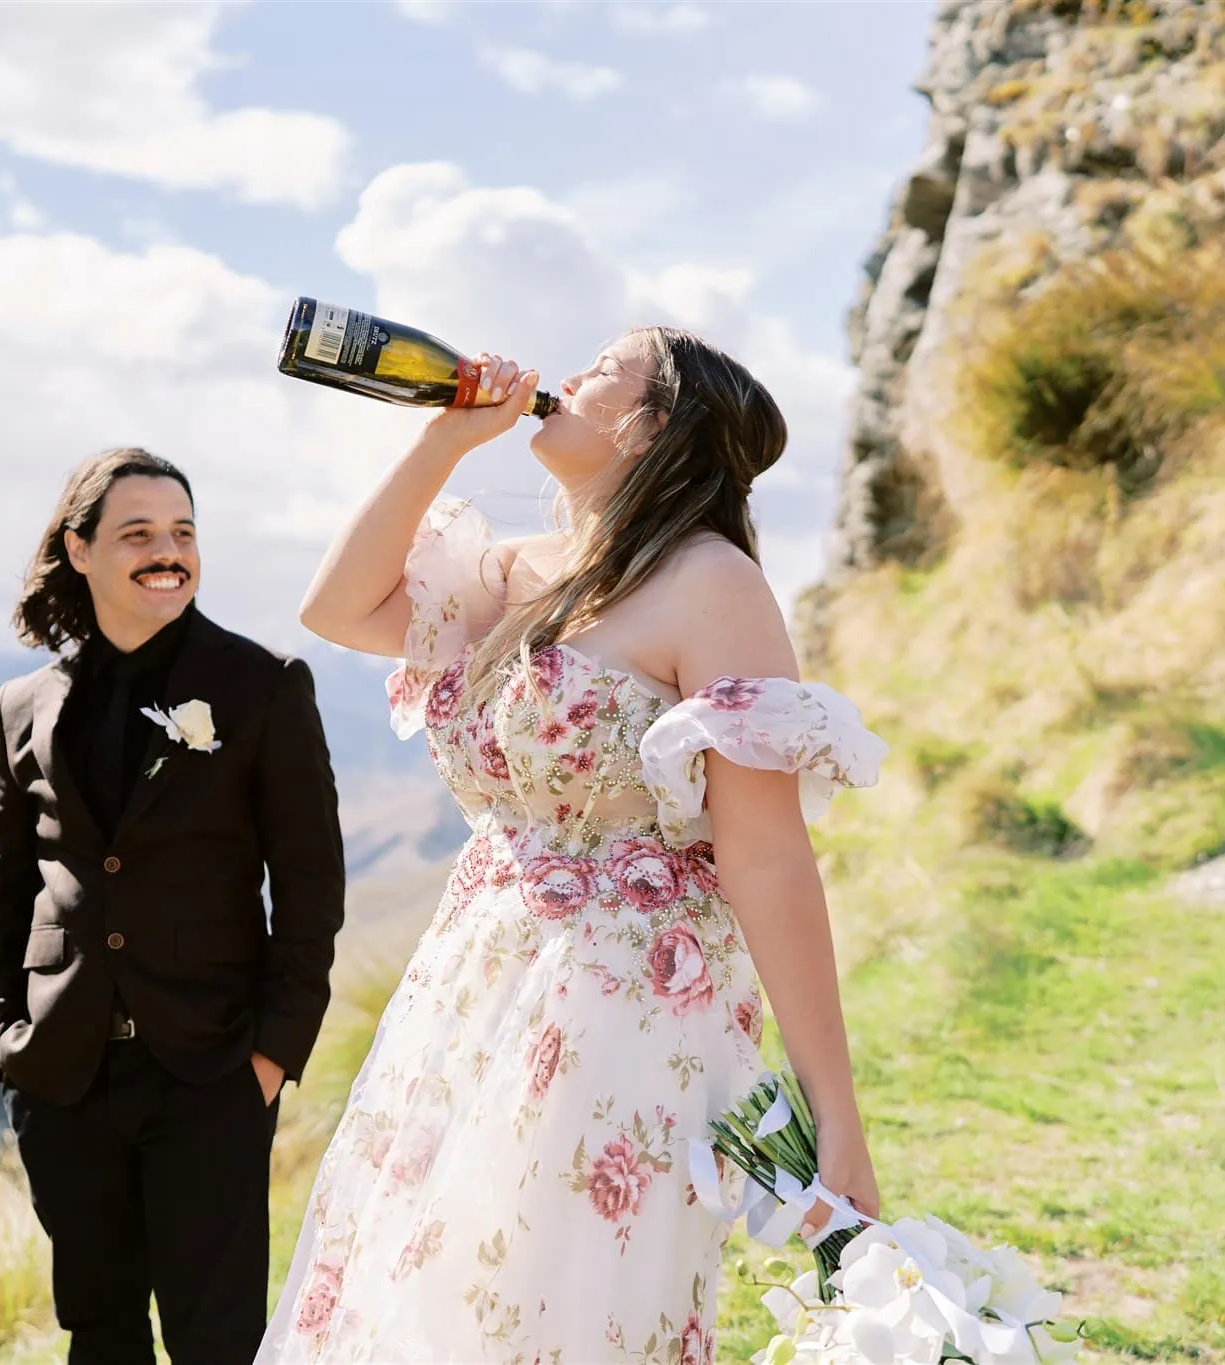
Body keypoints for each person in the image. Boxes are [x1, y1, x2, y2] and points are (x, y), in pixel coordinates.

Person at [262, 331, 887, 1360]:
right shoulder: (511, 571)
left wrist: (836, 1114)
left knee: (546, 1298)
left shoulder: (711, 584)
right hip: (471, 982)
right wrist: (444, 442)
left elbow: (767, 856)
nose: (564, 376)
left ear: (649, 427)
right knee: (423, 1290)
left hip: (625, 1001)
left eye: (600, 370)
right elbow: (335, 608)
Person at [0, 447, 346, 1365]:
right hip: (64, 1073)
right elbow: (6, 894)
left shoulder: (263, 685)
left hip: (211, 1071)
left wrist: (272, 1054)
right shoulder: (23, 706)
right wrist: (8, 1036)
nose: (167, 553)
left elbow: (311, 886)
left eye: (182, 533)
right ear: (79, 549)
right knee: (99, 1334)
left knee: (216, 1341)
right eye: (138, 534)